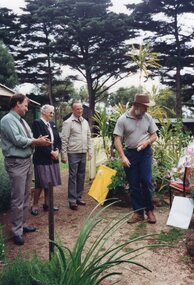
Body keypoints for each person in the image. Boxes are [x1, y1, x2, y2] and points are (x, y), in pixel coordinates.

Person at [0, 93, 51, 245]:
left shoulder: (21, 121)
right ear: (17, 104)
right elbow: (18, 140)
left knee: (25, 195)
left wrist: (39, 140)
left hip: (26, 161)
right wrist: (37, 141)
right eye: (26, 105)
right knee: (18, 198)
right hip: (16, 162)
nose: (27, 109)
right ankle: (16, 231)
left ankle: (22, 225)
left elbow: (28, 138)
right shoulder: (7, 120)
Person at [113, 93, 158, 224]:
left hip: (145, 153)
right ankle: (138, 213)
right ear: (137, 106)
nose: (146, 110)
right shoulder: (122, 119)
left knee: (146, 181)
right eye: (145, 107)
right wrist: (123, 156)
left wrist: (147, 142)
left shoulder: (147, 117)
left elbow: (154, 136)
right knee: (133, 185)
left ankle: (149, 211)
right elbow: (117, 139)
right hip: (130, 154)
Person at [31, 104, 61, 215]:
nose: (52, 115)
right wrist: (50, 152)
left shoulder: (52, 124)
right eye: (51, 112)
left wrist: (57, 150)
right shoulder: (37, 123)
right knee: (40, 183)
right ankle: (34, 205)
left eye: (53, 112)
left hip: (53, 158)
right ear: (44, 112)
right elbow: (39, 141)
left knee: (50, 182)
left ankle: (47, 204)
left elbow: (57, 139)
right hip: (42, 158)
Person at [61, 102, 92, 210]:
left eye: (81, 109)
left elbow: (89, 137)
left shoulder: (85, 122)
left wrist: (90, 151)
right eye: (78, 109)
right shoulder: (68, 122)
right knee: (73, 176)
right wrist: (63, 155)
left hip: (83, 152)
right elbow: (64, 139)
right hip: (73, 153)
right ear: (73, 110)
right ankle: (72, 200)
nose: (80, 111)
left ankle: (79, 197)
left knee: (81, 176)